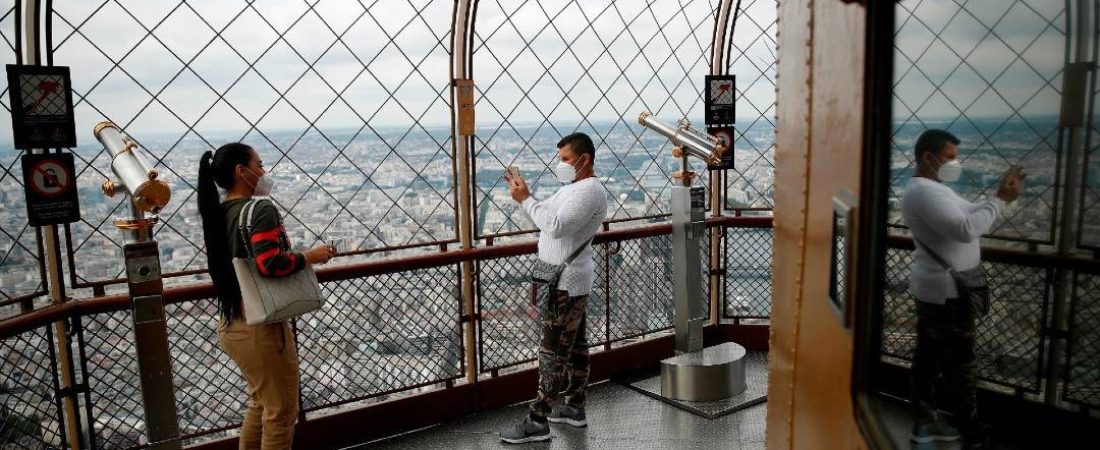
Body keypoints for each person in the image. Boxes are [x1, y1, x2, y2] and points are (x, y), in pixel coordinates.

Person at [198, 143, 336, 450]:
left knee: (261, 404)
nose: (263, 172)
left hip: (233, 323)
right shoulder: (259, 209)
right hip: (260, 327)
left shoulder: (219, 213)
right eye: (259, 165)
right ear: (241, 171)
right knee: (281, 411)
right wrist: (311, 256)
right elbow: (270, 263)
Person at [901, 129, 1024, 449]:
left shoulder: (933, 188)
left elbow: (969, 213)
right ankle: (969, 428)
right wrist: (1000, 200)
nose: (955, 163)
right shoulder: (926, 192)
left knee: (928, 356)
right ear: (928, 157)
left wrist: (1000, 197)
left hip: (941, 288)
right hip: (948, 292)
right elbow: (966, 229)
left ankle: (926, 419)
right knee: (961, 361)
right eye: (950, 157)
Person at [499, 132, 609, 444]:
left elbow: (557, 226)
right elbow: (546, 214)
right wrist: (527, 197)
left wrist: (526, 200)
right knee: (573, 346)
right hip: (563, 280)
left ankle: (538, 419)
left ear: (584, 159)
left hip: (566, 283)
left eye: (565, 159)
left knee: (553, 350)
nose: (560, 165)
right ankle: (574, 407)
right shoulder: (573, 188)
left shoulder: (588, 191)